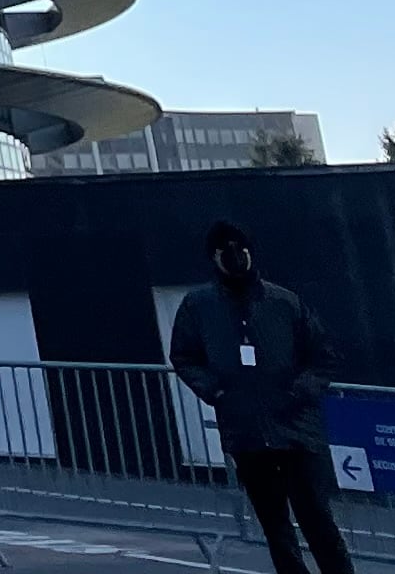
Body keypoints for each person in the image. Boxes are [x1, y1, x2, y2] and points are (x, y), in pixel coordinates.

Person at [167, 220, 351, 574]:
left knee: (318, 522)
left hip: (297, 432)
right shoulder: (198, 306)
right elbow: (184, 356)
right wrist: (216, 391)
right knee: (276, 528)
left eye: (241, 248)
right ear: (214, 257)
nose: (236, 257)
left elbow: (324, 354)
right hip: (247, 434)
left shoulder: (284, 302)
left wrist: (301, 390)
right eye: (226, 251)